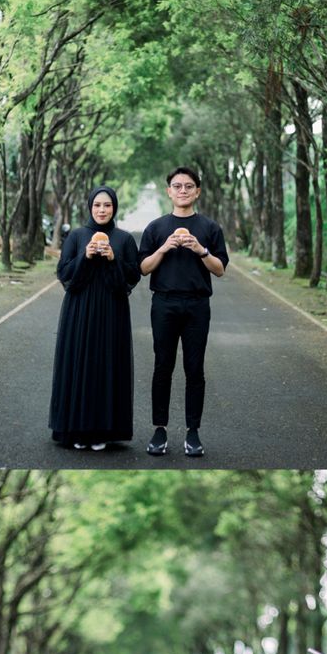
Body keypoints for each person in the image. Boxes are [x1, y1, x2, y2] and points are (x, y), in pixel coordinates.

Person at [138, 168, 229, 458]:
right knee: (162, 366)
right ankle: (159, 429)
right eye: (177, 186)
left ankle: (193, 432)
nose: (183, 190)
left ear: (197, 191)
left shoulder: (210, 228)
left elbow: (220, 269)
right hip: (164, 303)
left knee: (195, 369)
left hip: (197, 305)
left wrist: (201, 250)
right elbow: (143, 268)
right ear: (169, 191)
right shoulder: (156, 228)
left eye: (189, 186)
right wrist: (165, 247)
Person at [49, 186, 140, 451]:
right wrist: (85, 256)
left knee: (106, 365)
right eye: (98, 205)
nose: (102, 210)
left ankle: (102, 431)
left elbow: (133, 276)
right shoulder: (77, 236)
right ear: (90, 207)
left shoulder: (123, 239)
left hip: (113, 311)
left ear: (115, 208)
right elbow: (64, 274)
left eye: (108, 205)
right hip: (78, 310)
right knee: (78, 364)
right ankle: (76, 429)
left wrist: (113, 259)